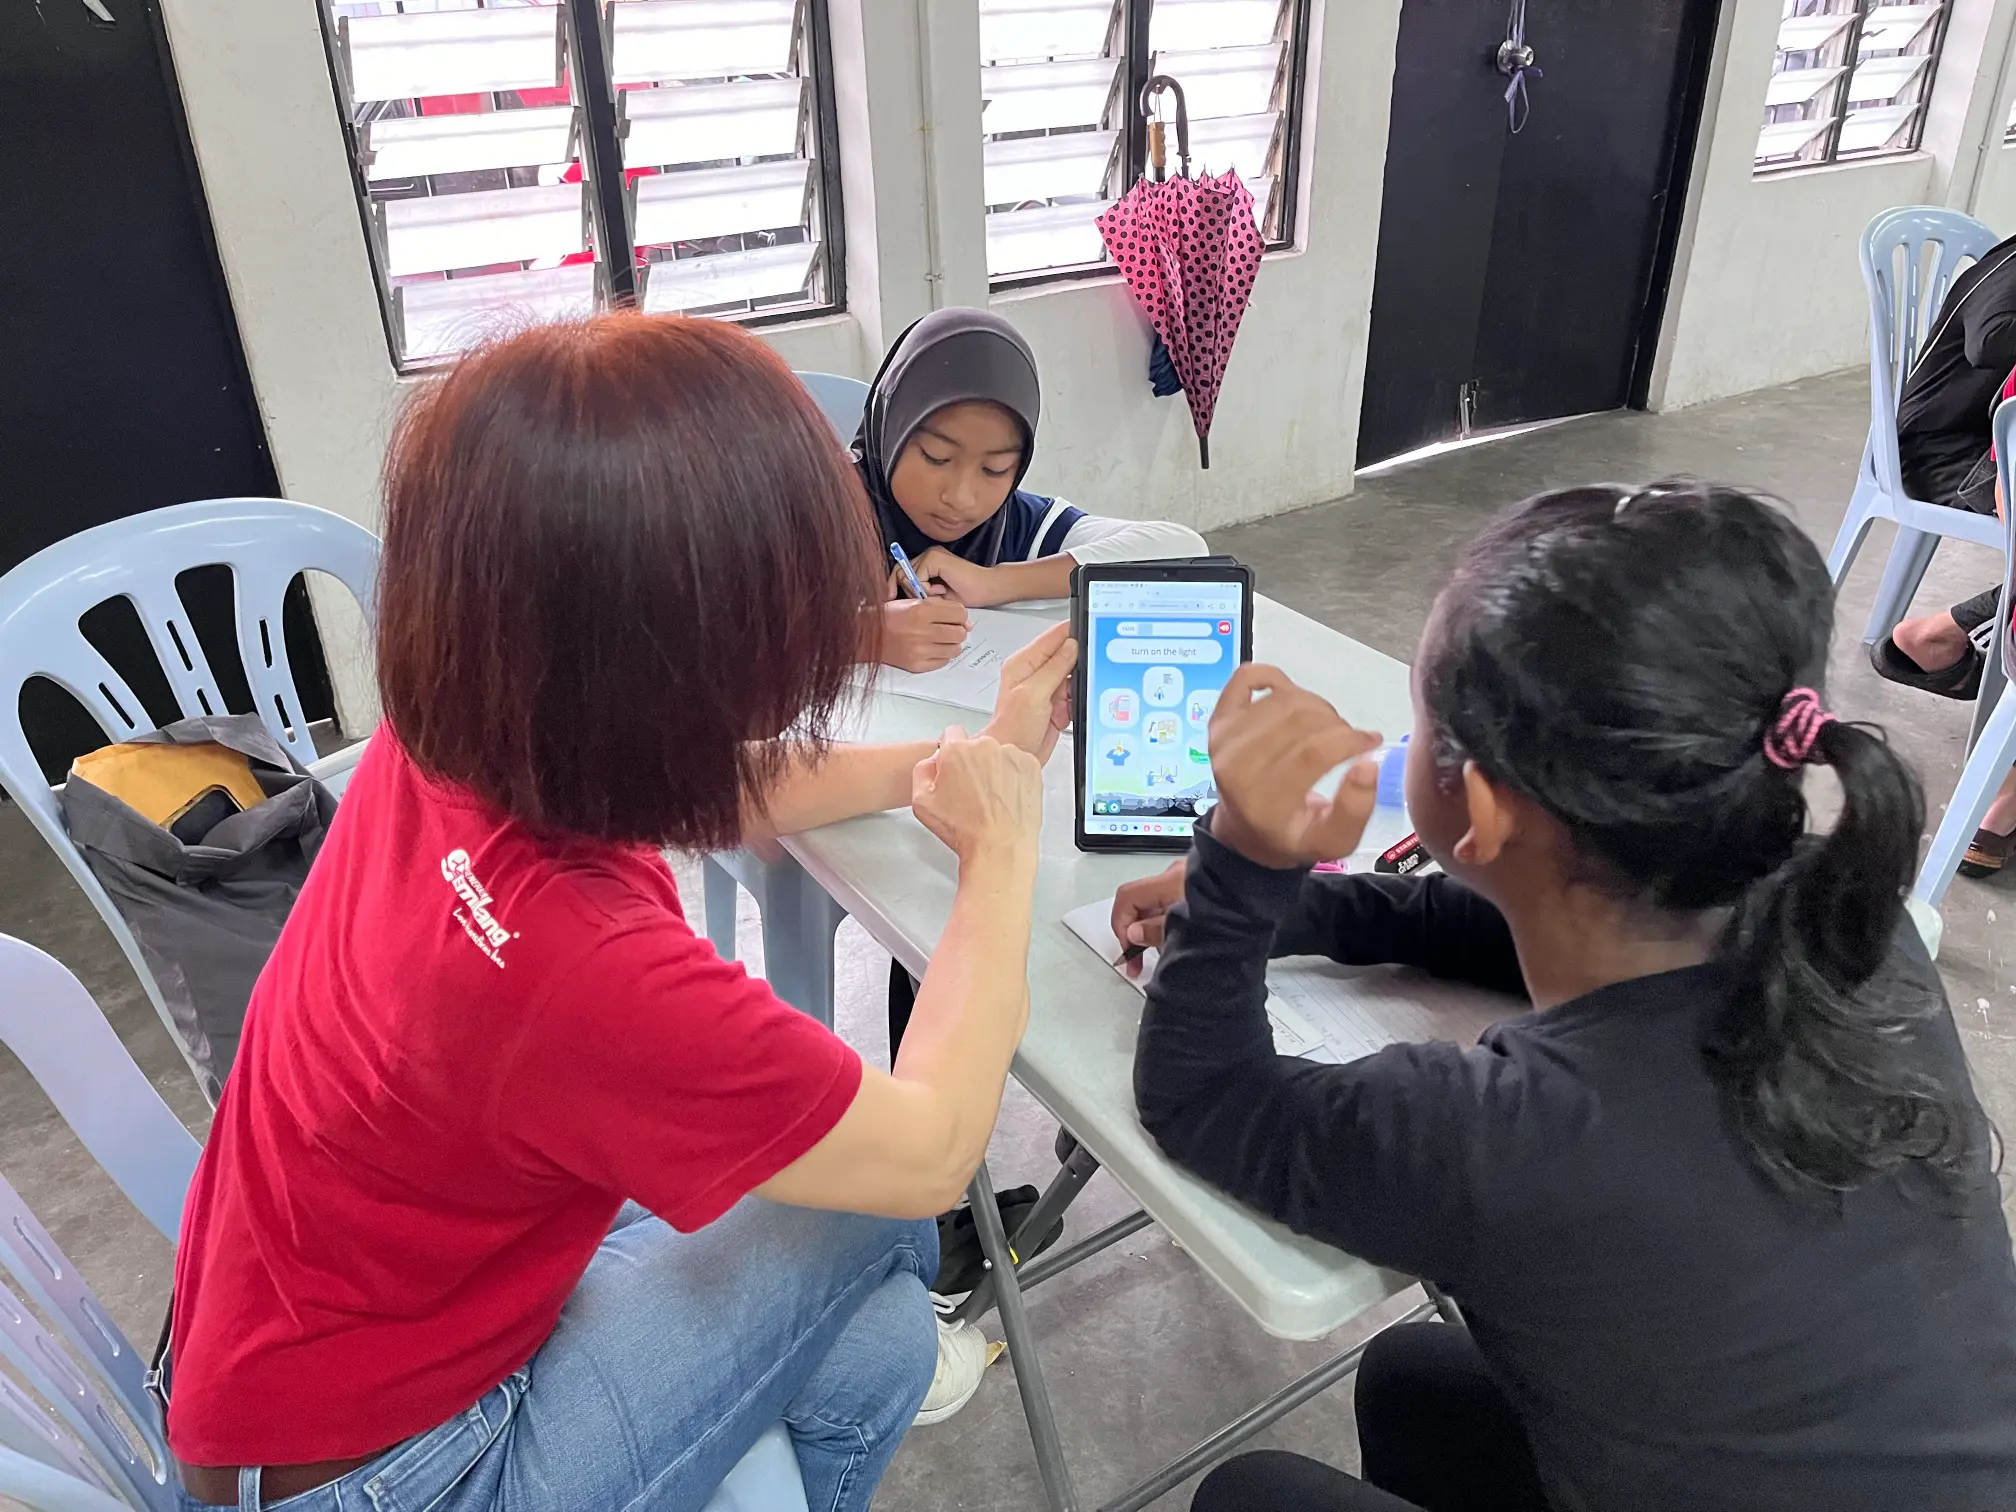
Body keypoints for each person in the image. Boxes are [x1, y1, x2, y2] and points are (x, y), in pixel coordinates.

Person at [162, 313, 1080, 1512]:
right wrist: (1003, 848)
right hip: (392, 1472)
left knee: (888, 1345)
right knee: (878, 1231)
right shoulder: (582, 971)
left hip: (278, 1357)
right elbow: (936, 1148)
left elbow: (702, 783)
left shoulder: (463, 726)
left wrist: (947, 768)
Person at [1116, 483, 2016, 1512]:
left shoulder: (1508, 1137)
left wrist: (1239, 867)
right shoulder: (1850, 915)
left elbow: (1204, 1098)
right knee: (1416, 1382)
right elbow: (1520, 917)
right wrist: (1303, 913)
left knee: (1254, 1496)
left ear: (1484, 807)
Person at [861, 307, 1208, 675]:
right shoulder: (823, 511)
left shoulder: (1013, 523)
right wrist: (865, 635)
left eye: (994, 470)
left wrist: (993, 583)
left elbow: (1182, 552)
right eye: (937, 458)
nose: (961, 497)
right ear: (890, 429)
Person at [1869, 235, 2016, 705]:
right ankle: (1945, 632)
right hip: (1943, 454)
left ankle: (1948, 630)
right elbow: (1990, 341)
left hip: (1985, 445)